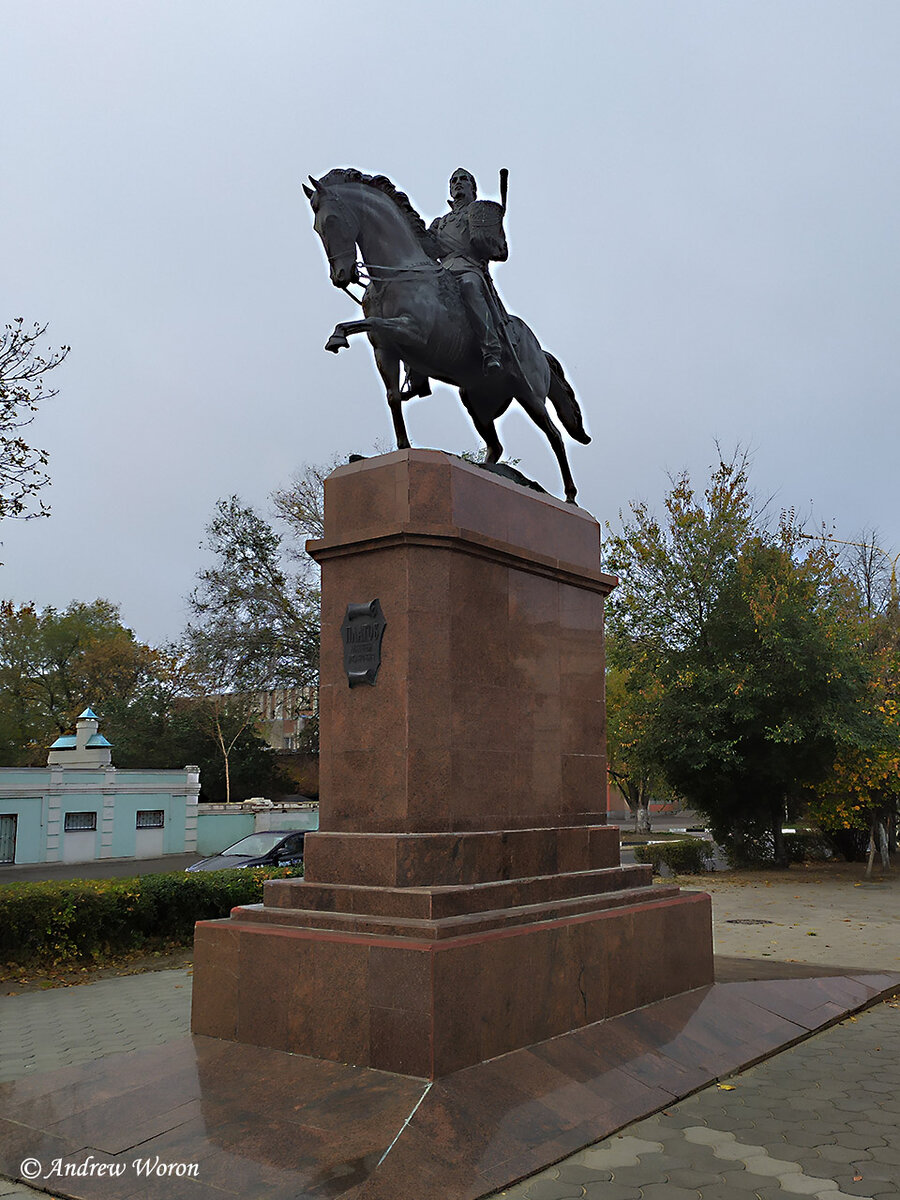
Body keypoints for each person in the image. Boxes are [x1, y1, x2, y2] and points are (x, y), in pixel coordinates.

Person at [427, 168, 508, 374]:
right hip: (441, 272)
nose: (457, 183)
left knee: (469, 286)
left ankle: (491, 348)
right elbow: (426, 248)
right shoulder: (440, 223)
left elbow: (499, 250)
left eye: (464, 179)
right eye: (453, 180)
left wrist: (491, 235)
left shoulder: (479, 213)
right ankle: (416, 371)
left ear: (473, 188)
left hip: (469, 267)